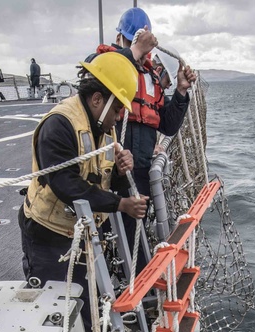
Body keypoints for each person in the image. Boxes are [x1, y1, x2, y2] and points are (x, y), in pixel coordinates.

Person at [19, 52, 147, 324]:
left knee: (86, 301)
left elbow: (107, 178)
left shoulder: (105, 129)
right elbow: (66, 184)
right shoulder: (59, 124)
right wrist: (120, 204)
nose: (120, 116)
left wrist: (123, 174)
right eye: (117, 109)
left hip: (82, 233)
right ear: (97, 99)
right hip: (48, 236)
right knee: (56, 313)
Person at [92, 7, 197, 270]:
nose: (139, 51)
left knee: (133, 233)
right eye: (132, 43)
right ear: (121, 40)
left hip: (139, 173)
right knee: (98, 233)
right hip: (106, 171)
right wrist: (134, 51)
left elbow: (169, 125)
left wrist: (181, 92)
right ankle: (107, 284)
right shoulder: (103, 63)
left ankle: (138, 283)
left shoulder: (153, 78)